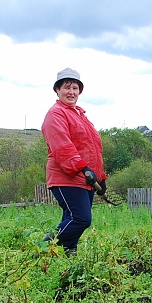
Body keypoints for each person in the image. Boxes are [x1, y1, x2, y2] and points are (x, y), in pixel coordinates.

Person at [41, 67, 107, 255]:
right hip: (66, 176)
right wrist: (83, 168)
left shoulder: (80, 115)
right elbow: (62, 147)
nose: (71, 92)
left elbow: (92, 149)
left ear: (80, 91)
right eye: (66, 87)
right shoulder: (56, 114)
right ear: (57, 90)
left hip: (84, 177)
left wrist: (101, 176)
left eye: (75, 88)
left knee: (71, 219)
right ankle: (40, 250)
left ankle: (69, 256)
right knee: (80, 219)